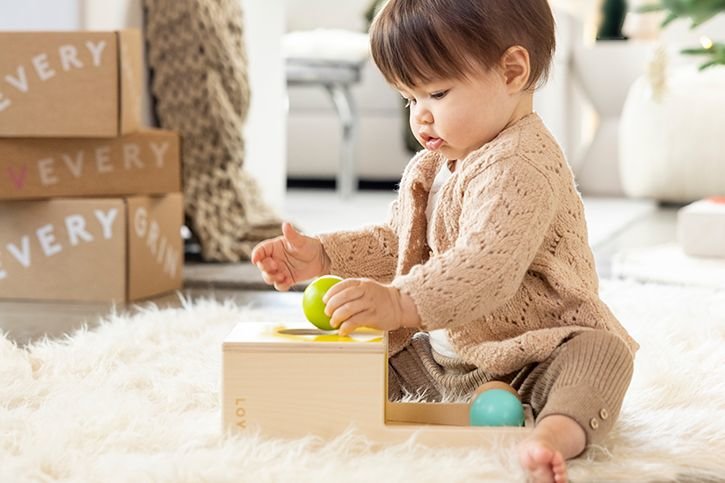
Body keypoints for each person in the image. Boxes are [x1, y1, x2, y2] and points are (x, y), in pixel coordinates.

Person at [251, 1, 638, 481]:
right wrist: (323, 254)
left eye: (436, 93)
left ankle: (553, 433)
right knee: (362, 362)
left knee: (600, 356)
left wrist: (398, 302)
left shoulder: (522, 165)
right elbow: (400, 242)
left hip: (535, 355)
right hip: (447, 359)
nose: (421, 118)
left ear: (512, 71)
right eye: (409, 100)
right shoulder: (433, 165)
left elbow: (487, 268)